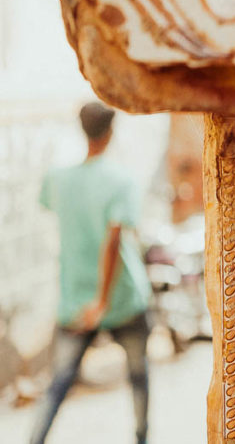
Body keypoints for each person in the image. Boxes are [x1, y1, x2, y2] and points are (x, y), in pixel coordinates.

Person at [29, 102, 152, 444]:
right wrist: (102, 300)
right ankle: (142, 439)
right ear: (110, 133)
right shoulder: (122, 181)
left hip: (76, 298)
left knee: (58, 383)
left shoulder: (58, 179)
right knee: (138, 378)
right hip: (121, 297)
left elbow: (50, 210)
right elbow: (113, 242)